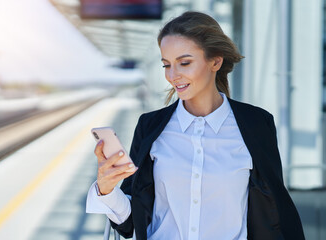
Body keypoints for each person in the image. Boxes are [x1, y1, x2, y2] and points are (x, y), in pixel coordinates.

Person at [86, 11, 305, 240]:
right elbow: (131, 222)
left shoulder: (257, 124)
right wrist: (106, 189)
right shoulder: (150, 127)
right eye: (166, 65)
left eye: (185, 63)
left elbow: (276, 211)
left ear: (215, 61)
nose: (173, 75)